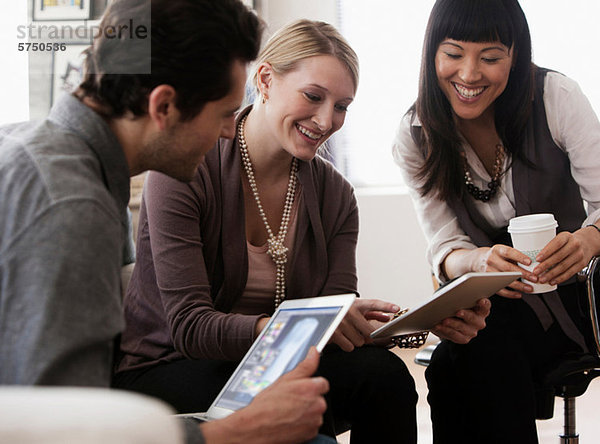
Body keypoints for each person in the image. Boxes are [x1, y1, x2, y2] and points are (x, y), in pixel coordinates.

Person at [0, 1, 334, 443]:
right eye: (222, 114)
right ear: (164, 106)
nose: (228, 133)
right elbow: (61, 434)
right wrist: (232, 433)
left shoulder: (41, 151)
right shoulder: (73, 210)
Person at [392, 0, 600, 443]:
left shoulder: (556, 98)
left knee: (477, 357)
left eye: (490, 58)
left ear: (516, 57)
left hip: (586, 297)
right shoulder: (415, 135)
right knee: (460, 358)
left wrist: (587, 239)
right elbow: (444, 248)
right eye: (453, 53)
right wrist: (480, 260)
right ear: (431, 55)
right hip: (502, 305)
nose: (469, 74)